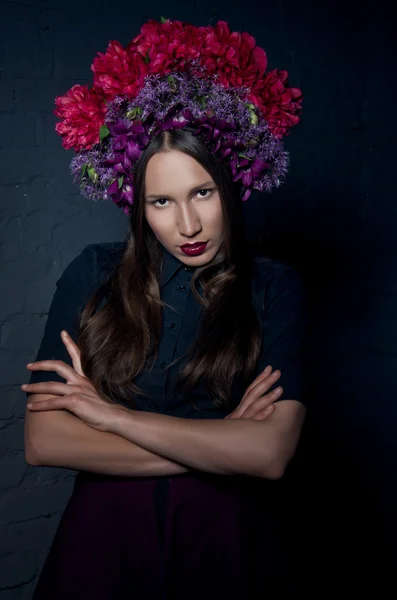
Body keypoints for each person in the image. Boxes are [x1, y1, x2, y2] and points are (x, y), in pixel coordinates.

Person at [22, 17, 307, 600]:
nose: (187, 225)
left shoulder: (275, 286)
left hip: (226, 548)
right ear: (138, 205)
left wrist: (111, 417)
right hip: (102, 547)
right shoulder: (94, 272)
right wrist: (218, 444)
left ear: (232, 185)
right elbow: (45, 441)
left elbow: (271, 453)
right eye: (162, 201)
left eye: (203, 193)